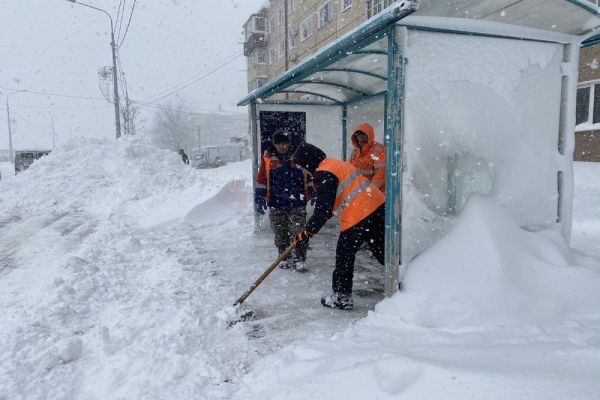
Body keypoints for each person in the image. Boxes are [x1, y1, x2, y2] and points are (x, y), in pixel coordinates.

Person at [293, 142, 385, 310]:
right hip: (377, 206)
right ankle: (405, 280)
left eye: (302, 166)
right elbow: (328, 208)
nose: (304, 171)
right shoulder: (334, 164)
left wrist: (307, 232)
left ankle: (342, 297)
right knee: (381, 249)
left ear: (308, 162)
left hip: (359, 214)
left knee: (344, 254)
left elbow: (322, 211)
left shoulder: (324, 172)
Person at [255, 130, 312, 272]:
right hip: (276, 202)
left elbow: (310, 173)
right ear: (274, 144)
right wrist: (260, 195)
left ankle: (300, 259)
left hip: (297, 201)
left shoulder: (299, 155)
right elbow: (262, 177)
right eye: (279, 143)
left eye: (285, 143)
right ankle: (284, 257)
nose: (283, 146)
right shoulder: (268, 157)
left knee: (298, 232)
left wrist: (313, 189)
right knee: (279, 232)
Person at [349, 122, 386, 191]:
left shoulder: (379, 150)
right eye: (358, 135)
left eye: (363, 135)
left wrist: (370, 189)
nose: (360, 138)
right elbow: (349, 173)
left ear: (369, 135)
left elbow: (381, 172)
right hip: (359, 192)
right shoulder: (355, 152)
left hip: (376, 194)